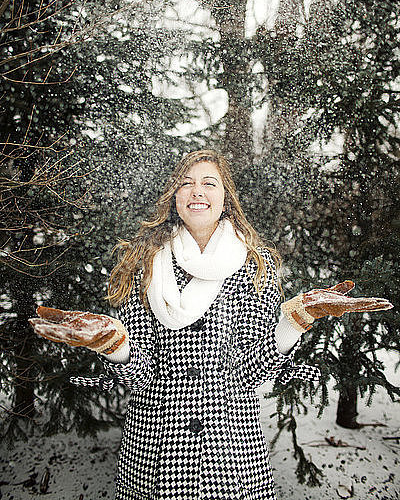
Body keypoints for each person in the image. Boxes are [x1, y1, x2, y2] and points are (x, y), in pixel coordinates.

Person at [30, 149, 392, 500]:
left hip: (230, 454)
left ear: (225, 197)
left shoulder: (254, 263)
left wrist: (295, 322)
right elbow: (140, 374)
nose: (197, 191)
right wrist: (115, 345)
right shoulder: (146, 262)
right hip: (156, 449)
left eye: (209, 183)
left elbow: (253, 370)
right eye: (187, 183)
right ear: (175, 195)